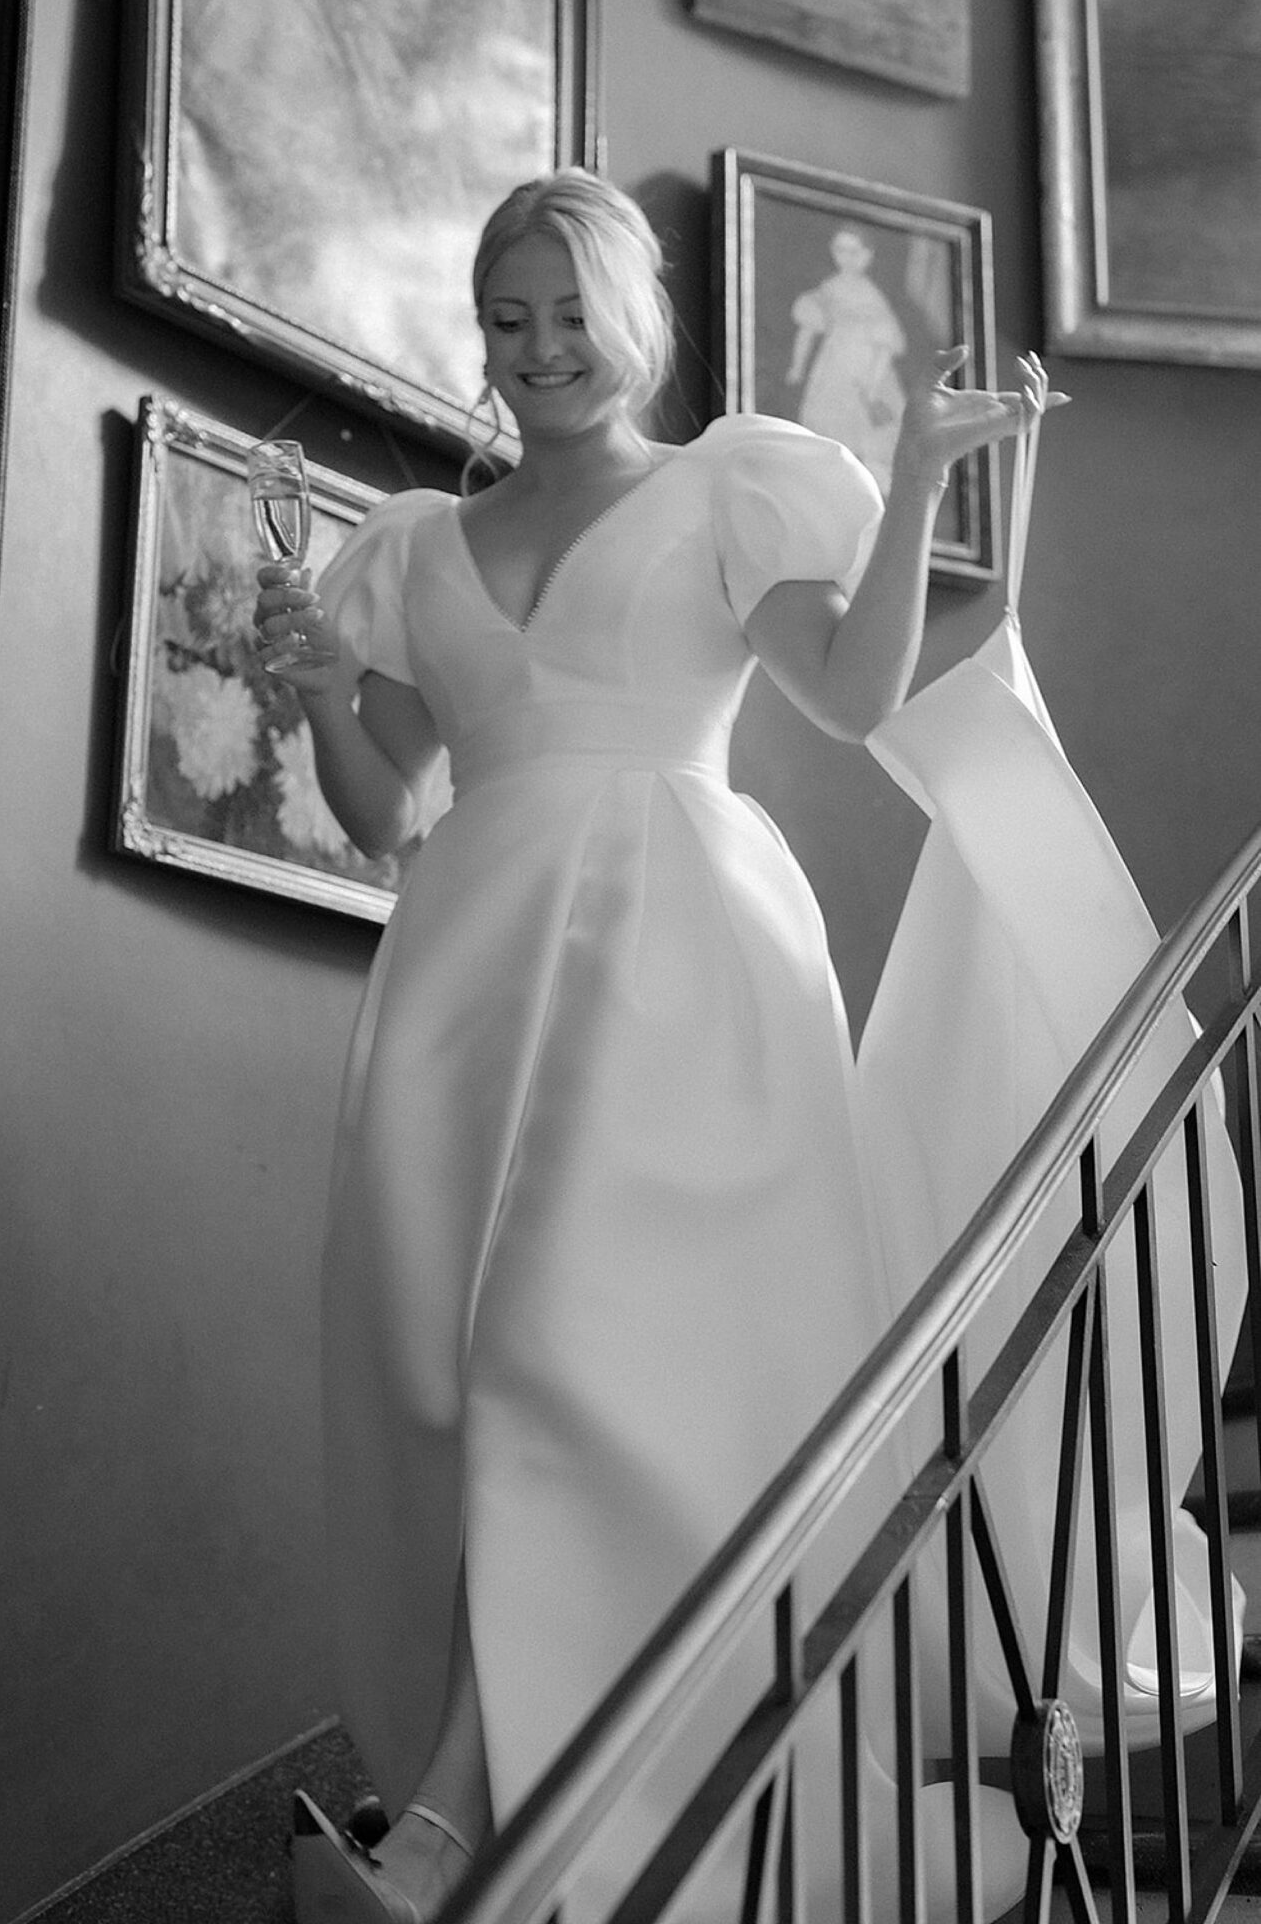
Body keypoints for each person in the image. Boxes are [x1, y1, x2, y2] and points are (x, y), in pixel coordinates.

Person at [254, 168, 1056, 1924]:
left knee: (561, 1357)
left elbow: (847, 696)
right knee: (464, 1391)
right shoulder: (415, 543)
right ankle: (500, 1822)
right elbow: (383, 810)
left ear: (635, 318)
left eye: (572, 313)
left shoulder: (723, 487)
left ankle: (447, 1838)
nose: (540, 350)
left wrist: (918, 477)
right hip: (465, 979)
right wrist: (317, 691)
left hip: (680, 967)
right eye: (507, 320)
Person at [785, 225, 908, 493]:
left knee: (870, 433)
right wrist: (797, 366)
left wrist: (872, 388)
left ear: (868, 255)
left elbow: (885, 346)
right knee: (829, 426)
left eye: (855, 251)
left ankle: (871, 491)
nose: (847, 258)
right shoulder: (829, 288)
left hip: (868, 372)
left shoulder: (870, 296)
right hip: (834, 366)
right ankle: (829, 487)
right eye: (841, 250)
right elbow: (808, 328)